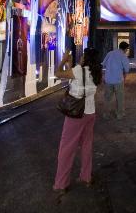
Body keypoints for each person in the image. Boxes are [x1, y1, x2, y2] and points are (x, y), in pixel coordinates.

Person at [53, 48, 102, 193]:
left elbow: (57, 73)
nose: (81, 57)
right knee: (86, 145)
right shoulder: (96, 72)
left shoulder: (79, 70)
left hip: (76, 115)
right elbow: (76, 80)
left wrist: (63, 59)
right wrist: (70, 64)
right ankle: (86, 176)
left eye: (83, 56)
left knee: (66, 148)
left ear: (86, 58)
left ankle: (61, 183)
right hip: (90, 113)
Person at [102, 41, 131, 119]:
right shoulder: (123, 56)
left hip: (108, 80)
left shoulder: (110, 53)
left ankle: (106, 114)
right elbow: (127, 69)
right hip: (118, 80)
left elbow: (103, 64)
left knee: (107, 98)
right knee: (120, 98)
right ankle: (119, 114)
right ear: (125, 49)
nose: (127, 50)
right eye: (127, 49)